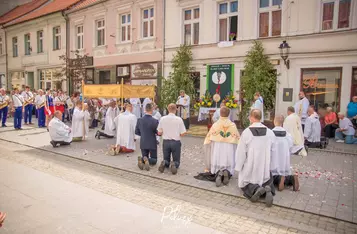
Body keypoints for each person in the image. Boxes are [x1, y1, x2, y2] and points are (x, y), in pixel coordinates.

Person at [235, 109, 275, 207]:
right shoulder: (270, 132)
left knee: (245, 183)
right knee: (266, 178)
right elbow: (274, 150)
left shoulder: (247, 132)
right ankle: (267, 188)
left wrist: (239, 166)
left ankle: (255, 189)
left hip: (251, 165)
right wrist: (271, 165)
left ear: (251, 118)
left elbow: (241, 152)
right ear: (260, 118)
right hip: (264, 165)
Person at [204, 106, 240, 187]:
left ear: (220, 113)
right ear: (229, 114)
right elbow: (238, 139)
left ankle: (218, 172)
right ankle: (227, 172)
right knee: (228, 158)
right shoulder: (232, 125)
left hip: (218, 147)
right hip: (228, 148)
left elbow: (208, 138)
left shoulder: (216, 125)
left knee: (217, 157)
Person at [271, 115, 299, 192]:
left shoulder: (270, 134)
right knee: (284, 174)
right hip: (284, 161)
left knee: (269, 177)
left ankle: (279, 180)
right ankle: (291, 178)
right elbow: (290, 146)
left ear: (274, 121)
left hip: (274, 161)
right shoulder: (287, 134)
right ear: (282, 123)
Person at [157, 103, 187, 175]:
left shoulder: (162, 119)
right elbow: (183, 133)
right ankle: (174, 164)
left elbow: (159, 133)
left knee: (166, 158)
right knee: (177, 161)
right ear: (175, 110)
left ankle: (165, 163)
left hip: (166, 142)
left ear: (168, 109)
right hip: (175, 142)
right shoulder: (179, 119)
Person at [135, 103, 159, 171]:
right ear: (152, 110)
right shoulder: (155, 121)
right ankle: (146, 160)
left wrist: (143, 134)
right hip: (152, 143)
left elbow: (136, 132)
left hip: (143, 142)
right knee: (154, 160)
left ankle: (143, 159)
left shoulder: (139, 120)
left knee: (145, 155)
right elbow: (157, 132)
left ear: (145, 110)